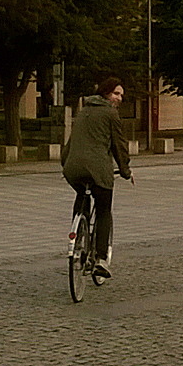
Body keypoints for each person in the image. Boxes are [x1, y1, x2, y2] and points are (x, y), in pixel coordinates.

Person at [61, 77, 133, 278]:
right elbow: (119, 145)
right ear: (106, 93)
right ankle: (101, 259)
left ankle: (78, 231)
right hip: (98, 169)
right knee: (103, 211)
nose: (119, 98)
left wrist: (66, 164)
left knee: (82, 197)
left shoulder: (83, 111)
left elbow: (71, 143)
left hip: (73, 169)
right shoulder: (110, 114)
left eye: (121, 95)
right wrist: (125, 171)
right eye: (116, 94)